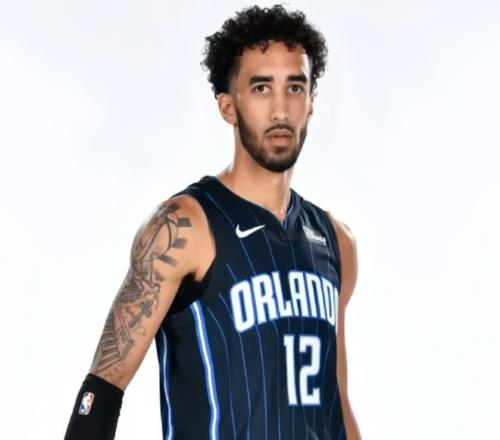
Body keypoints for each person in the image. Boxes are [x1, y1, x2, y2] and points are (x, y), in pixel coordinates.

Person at [64, 4, 362, 439]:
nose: (280, 109)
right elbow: (103, 390)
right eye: (261, 88)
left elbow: (337, 401)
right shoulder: (184, 228)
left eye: (295, 87)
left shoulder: (336, 242)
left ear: (311, 104)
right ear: (228, 106)